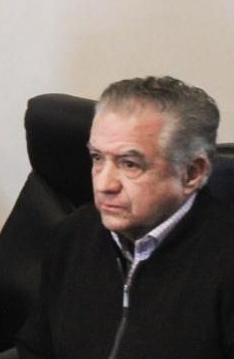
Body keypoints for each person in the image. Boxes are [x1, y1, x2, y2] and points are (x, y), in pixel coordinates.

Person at [16, 76, 234, 359]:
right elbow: (35, 349)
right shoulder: (73, 235)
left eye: (129, 164)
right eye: (97, 158)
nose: (104, 184)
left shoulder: (225, 263)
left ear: (192, 173)